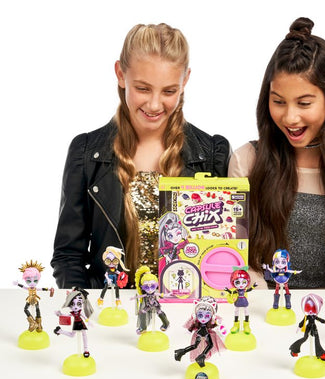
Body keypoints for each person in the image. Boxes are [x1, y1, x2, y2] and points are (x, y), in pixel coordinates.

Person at [52, 23, 231, 289]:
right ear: (120, 74)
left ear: (185, 81)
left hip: (186, 308)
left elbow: (222, 254)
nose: (155, 104)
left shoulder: (213, 153)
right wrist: (82, 304)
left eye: (169, 91)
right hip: (110, 306)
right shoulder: (87, 152)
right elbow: (69, 257)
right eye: (143, 89)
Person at [228, 17, 325, 288]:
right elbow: (239, 263)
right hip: (261, 306)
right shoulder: (246, 162)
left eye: (304, 103)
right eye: (278, 102)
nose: (290, 117)